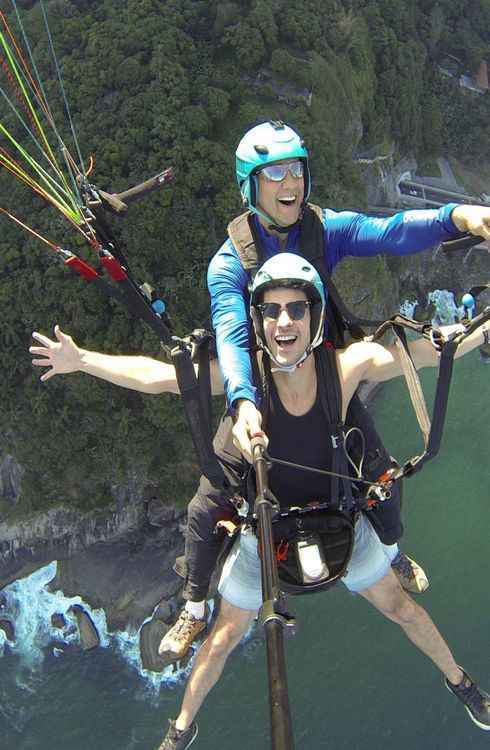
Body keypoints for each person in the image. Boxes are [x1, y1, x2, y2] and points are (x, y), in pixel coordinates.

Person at [159, 119, 490, 658]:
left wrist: (460, 216)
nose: (291, 181)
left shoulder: (321, 229)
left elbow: (390, 231)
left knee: (382, 475)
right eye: (275, 173)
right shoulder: (230, 264)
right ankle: (195, 606)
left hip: (326, 378)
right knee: (205, 508)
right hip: (261, 389)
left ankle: (390, 550)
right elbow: (232, 336)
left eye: (297, 169)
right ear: (251, 186)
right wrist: (243, 402)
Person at [154, 253, 490, 750]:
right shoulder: (244, 384)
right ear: (258, 321)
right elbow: (158, 377)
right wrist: (81, 362)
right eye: (271, 311)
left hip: (340, 523)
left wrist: (482, 332)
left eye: (296, 309)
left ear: (314, 317)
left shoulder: (345, 368)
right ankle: (180, 726)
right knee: (223, 636)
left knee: (403, 608)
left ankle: (462, 683)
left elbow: (428, 351)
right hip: (265, 534)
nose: (284, 321)